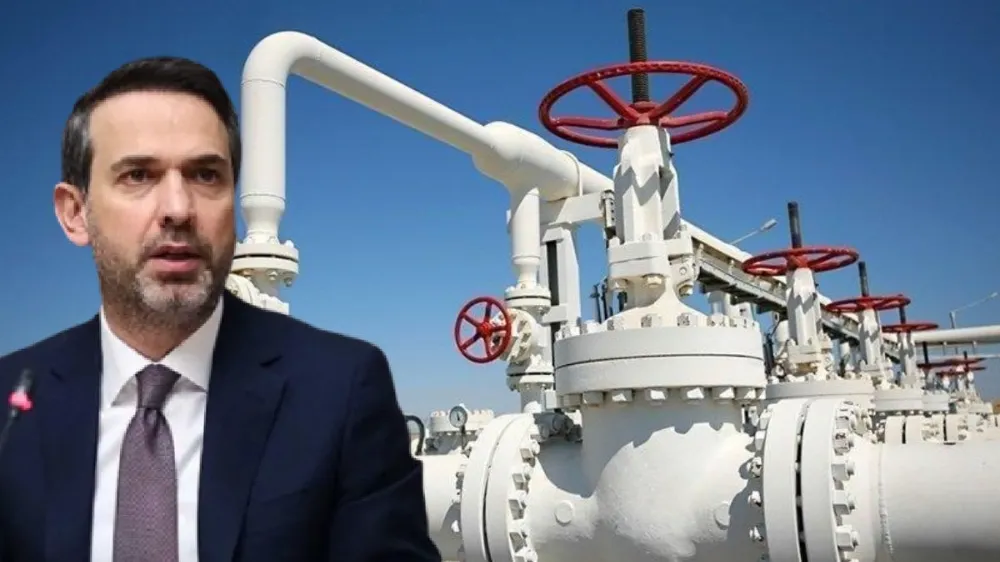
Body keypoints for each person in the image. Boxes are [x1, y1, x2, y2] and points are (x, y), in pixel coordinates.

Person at [0, 56, 441, 561]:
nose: (179, 209)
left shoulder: (340, 391)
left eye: (206, 175)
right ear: (75, 213)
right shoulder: (10, 401)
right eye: (138, 175)